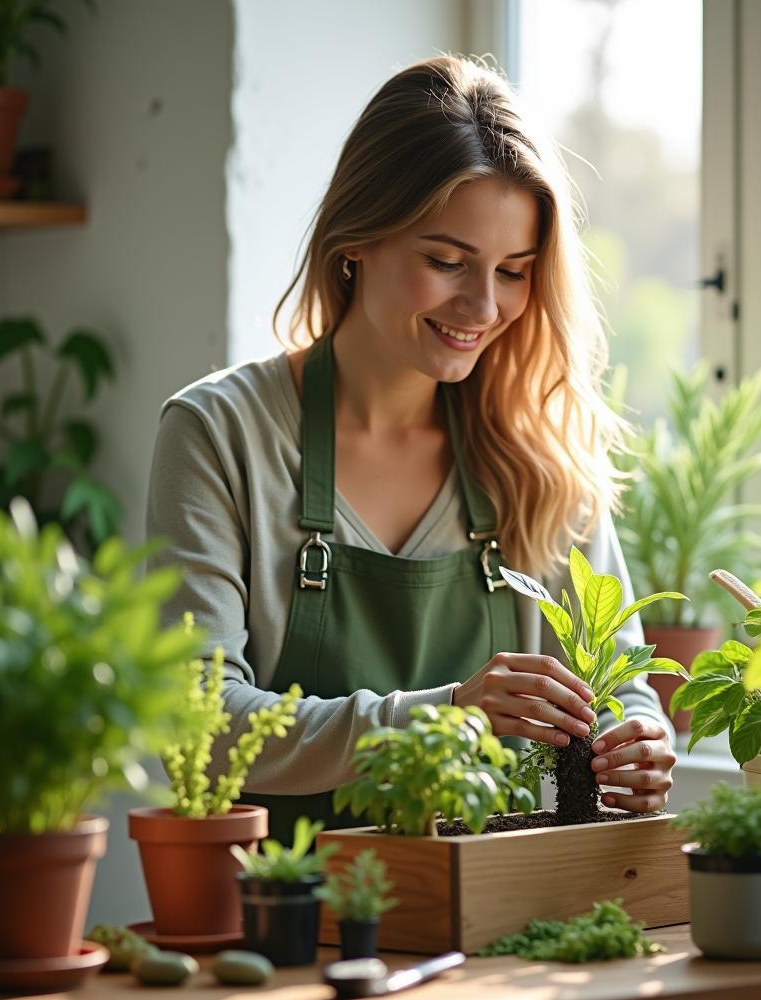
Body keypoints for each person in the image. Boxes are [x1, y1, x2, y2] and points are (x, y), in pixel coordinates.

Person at [147, 54, 675, 839]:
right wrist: (445, 714)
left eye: (514, 271)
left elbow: (621, 687)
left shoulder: (539, 454)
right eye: (446, 262)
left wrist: (639, 739)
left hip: (501, 903)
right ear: (356, 240)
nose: (484, 306)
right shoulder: (220, 434)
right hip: (286, 906)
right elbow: (199, 727)